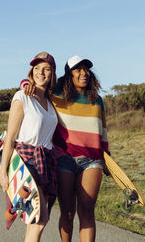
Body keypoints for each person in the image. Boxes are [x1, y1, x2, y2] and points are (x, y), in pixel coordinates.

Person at [23, 55, 108, 242]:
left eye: (86, 69)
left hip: (92, 160)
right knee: (68, 212)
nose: (84, 73)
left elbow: (103, 131)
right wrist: (24, 83)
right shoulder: (56, 95)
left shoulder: (97, 100)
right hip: (64, 160)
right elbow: (38, 88)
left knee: (87, 210)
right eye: (78, 69)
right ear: (69, 74)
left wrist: (107, 157)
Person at [0, 51, 58, 242]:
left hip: (46, 163)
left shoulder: (50, 102)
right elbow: (11, 137)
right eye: (37, 68)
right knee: (39, 219)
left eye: (46, 69)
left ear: (52, 74)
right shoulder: (22, 97)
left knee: (36, 220)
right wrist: (3, 172)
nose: (41, 73)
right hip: (27, 163)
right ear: (31, 72)